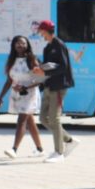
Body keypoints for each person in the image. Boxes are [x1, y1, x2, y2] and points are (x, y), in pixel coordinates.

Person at [35, 19, 79, 163]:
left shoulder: (59, 45)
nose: (39, 33)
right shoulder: (47, 47)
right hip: (49, 86)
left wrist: (45, 73)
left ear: (46, 31)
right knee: (43, 118)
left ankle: (59, 152)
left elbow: (63, 67)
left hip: (59, 87)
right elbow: (49, 67)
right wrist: (39, 69)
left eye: (41, 31)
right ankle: (69, 140)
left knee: (54, 118)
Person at [0, 35, 45, 158]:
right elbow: (9, 81)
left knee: (21, 120)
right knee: (29, 121)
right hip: (17, 94)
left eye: (23, 43)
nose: (20, 45)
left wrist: (25, 88)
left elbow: (41, 79)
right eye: (17, 43)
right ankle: (40, 149)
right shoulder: (12, 60)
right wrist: (0, 97)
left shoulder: (32, 59)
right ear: (13, 45)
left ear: (27, 45)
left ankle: (14, 149)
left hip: (30, 93)